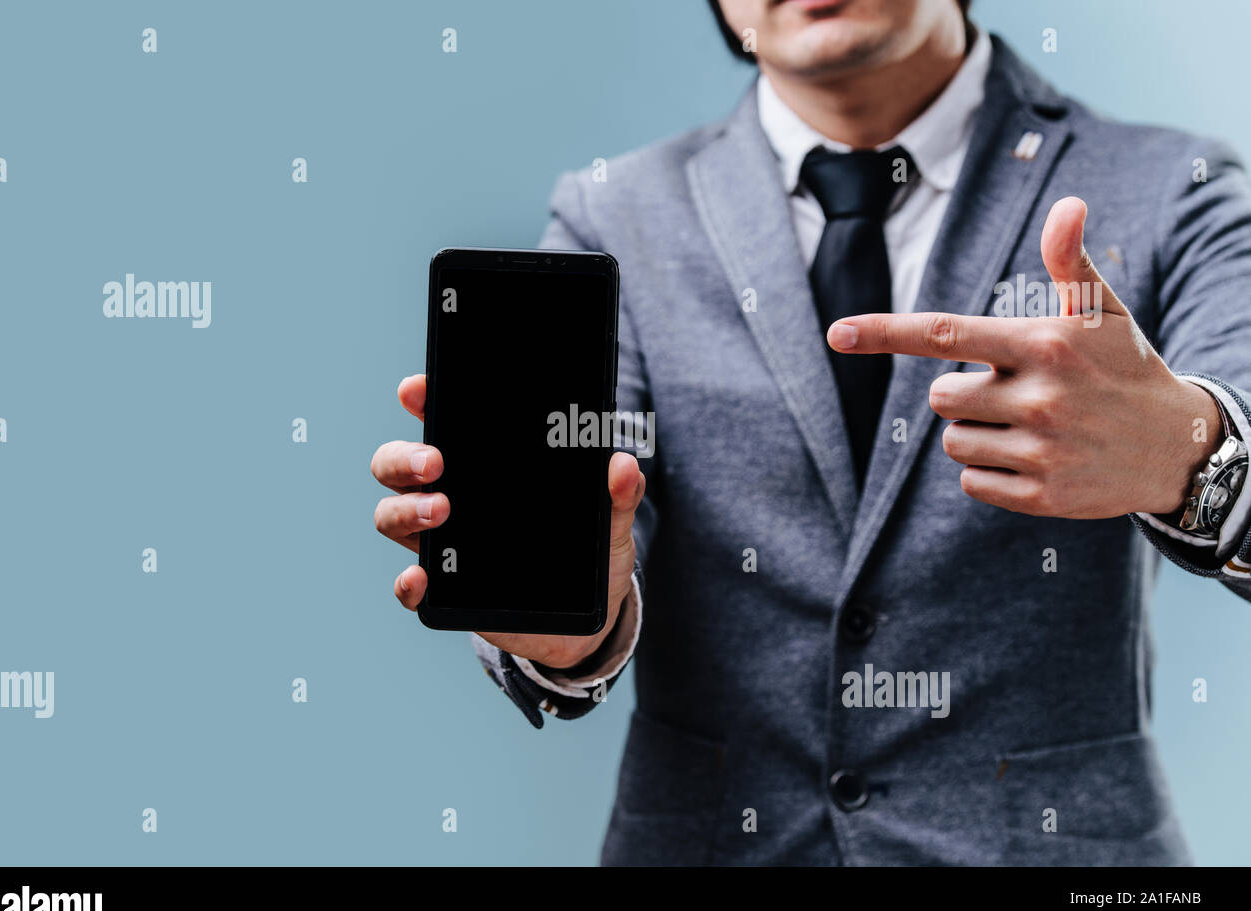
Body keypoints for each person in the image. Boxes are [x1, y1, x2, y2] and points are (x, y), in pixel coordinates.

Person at [371, 0, 1251, 865]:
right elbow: (588, 498)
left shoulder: (1172, 186)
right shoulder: (616, 214)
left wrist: (1189, 453)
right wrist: (573, 628)